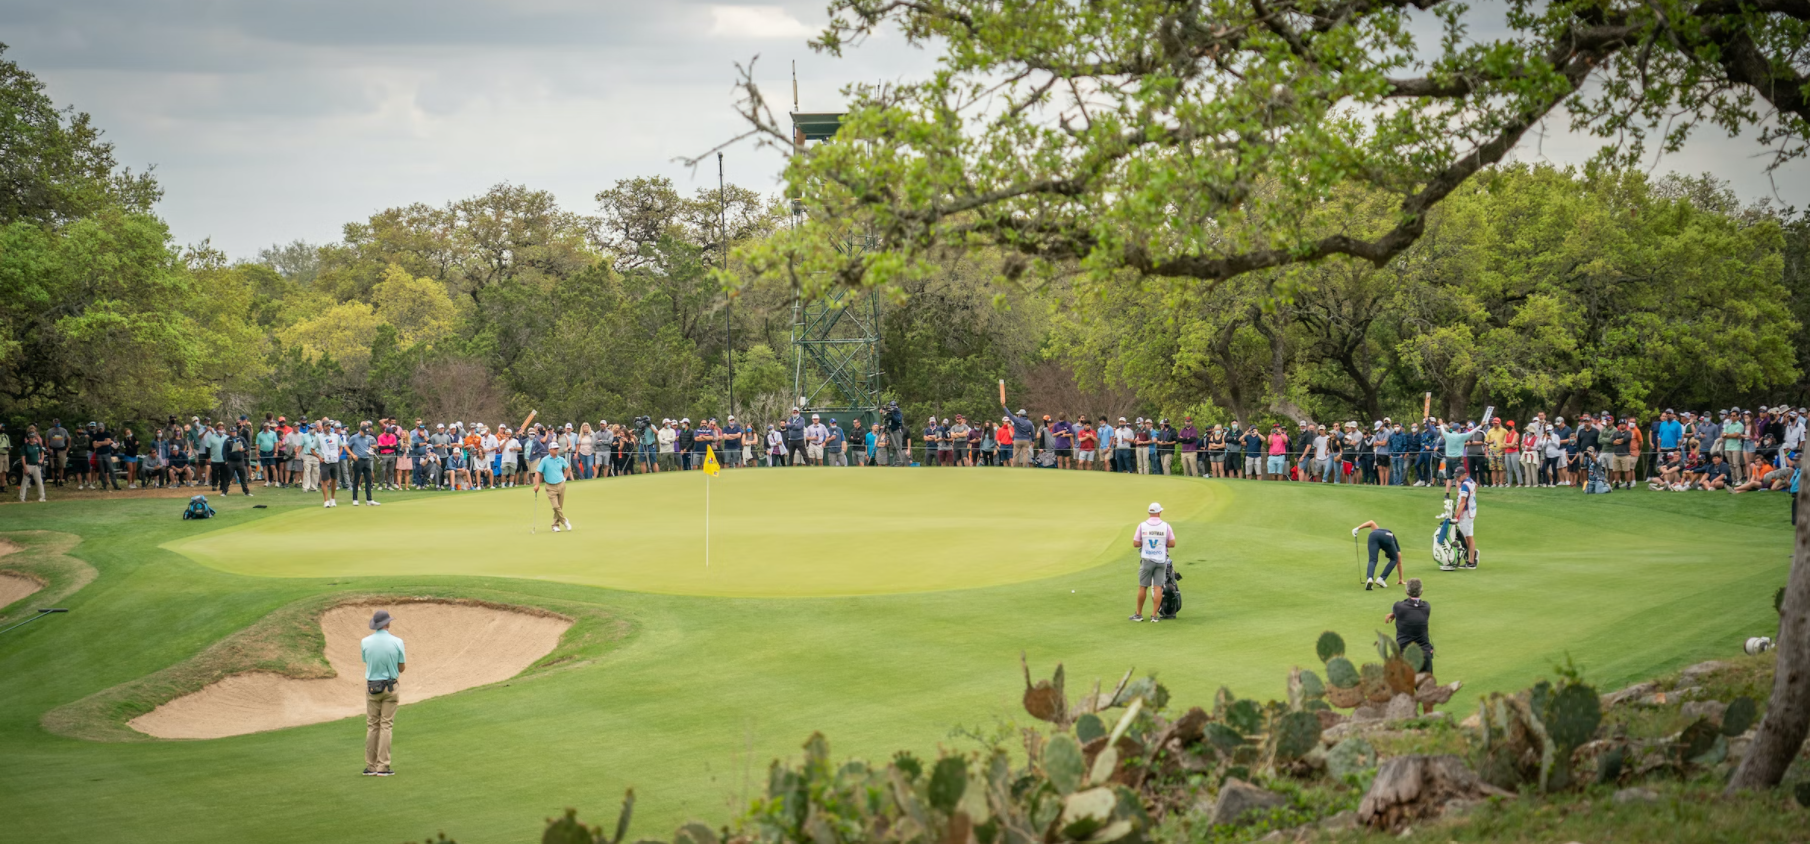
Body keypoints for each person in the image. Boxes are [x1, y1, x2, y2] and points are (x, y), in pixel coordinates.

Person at [360, 609, 405, 777]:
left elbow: (366, 661)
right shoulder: (397, 642)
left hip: (372, 687)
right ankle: (383, 766)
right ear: (387, 623)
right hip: (391, 687)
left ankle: (370, 767)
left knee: (373, 725)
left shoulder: (365, 642)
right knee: (386, 725)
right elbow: (402, 667)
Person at [1130, 502, 1176, 622]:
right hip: (1161, 560)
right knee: (1158, 588)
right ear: (1159, 512)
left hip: (1147, 560)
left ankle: (1139, 615)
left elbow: (1135, 543)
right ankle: (1154, 616)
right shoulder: (1166, 526)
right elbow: (1172, 543)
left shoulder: (1142, 525)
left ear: (1149, 513)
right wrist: (1161, 544)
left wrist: (1145, 543)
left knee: (1142, 587)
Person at [1384, 579, 1434, 677]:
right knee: (1426, 691)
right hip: (1424, 655)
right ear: (1421, 591)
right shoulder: (1426, 607)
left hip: (1405, 656)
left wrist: (1394, 614)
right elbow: (1412, 609)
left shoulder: (1398, 607)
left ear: (1406, 592)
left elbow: (1400, 607)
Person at [1352, 520, 1404, 590]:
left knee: (1372, 560)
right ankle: (1381, 579)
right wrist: (1401, 579)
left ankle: (1370, 578)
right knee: (1394, 559)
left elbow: (1371, 522)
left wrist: (1358, 528)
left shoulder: (1377, 530)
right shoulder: (1395, 545)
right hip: (1387, 536)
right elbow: (1399, 561)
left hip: (1373, 535)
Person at [536, 440, 574, 532]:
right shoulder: (545, 460)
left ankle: (555, 525)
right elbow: (538, 472)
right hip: (550, 486)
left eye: (557, 448)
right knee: (555, 506)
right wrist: (537, 484)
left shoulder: (560, 459)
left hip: (561, 484)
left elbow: (568, 468)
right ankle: (564, 521)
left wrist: (564, 478)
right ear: (549, 450)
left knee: (559, 507)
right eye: (554, 449)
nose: (556, 450)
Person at [1453, 465, 1478, 568]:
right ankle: (1471, 560)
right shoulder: (1470, 481)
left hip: (1466, 514)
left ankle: (1469, 559)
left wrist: (1456, 515)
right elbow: (1476, 486)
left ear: (1464, 474)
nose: (1457, 478)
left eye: (1459, 476)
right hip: (1471, 511)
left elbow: (1463, 502)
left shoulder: (1464, 485)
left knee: (1462, 538)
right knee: (1469, 536)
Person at [348, 423, 377, 505]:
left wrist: (370, 451)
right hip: (358, 460)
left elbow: (368, 447)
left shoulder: (367, 437)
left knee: (368, 480)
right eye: (364, 432)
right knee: (356, 480)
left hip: (366, 459)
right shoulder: (354, 437)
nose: (365, 434)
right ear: (360, 431)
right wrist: (353, 455)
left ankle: (369, 500)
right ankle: (355, 499)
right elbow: (346, 446)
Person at [18, 425, 45, 502]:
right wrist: (25, 468)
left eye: (33, 438)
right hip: (28, 465)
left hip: (36, 465)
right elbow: (23, 458)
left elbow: (42, 451)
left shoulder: (37, 445)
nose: (32, 439)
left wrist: (41, 459)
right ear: (28, 438)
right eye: (31, 438)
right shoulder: (25, 446)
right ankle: (22, 498)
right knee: (25, 482)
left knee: (39, 481)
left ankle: (42, 497)